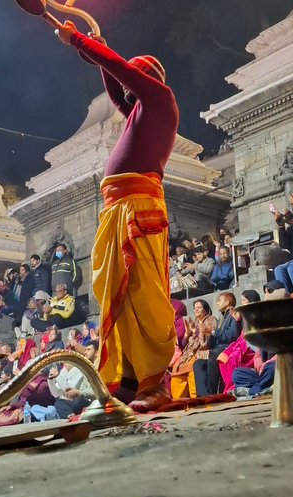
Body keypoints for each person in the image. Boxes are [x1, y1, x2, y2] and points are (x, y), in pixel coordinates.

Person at [58, 18, 179, 412]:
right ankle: (128, 381)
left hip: (139, 209)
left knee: (143, 294)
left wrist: (80, 41)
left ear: (147, 80)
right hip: (116, 210)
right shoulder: (139, 112)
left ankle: (154, 383)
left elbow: (121, 72)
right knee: (117, 295)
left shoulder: (160, 99)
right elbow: (117, 90)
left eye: (135, 80)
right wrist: (97, 46)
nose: (128, 90)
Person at [193, 293, 241, 396]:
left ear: (227, 302)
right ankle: (203, 395)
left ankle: (212, 393)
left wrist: (213, 332)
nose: (217, 303)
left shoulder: (233, 315)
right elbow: (214, 343)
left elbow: (232, 335)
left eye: (219, 300)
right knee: (198, 364)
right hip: (218, 348)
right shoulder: (222, 318)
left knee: (214, 354)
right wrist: (209, 335)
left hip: (229, 347)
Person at [170, 300, 217, 398]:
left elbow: (209, 340)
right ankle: (178, 400)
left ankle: (195, 398)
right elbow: (185, 344)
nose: (196, 310)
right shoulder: (194, 323)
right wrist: (187, 334)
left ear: (206, 310)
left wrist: (195, 331)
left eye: (199, 307)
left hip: (202, 351)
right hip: (189, 353)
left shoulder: (211, 320)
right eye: (195, 308)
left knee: (192, 367)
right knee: (176, 369)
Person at [218, 291, 261, 393]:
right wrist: (238, 321)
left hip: (251, 345)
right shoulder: (241, 315)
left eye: (244, 300)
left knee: (234, 356)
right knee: (222, 357)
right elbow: (239, 333)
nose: (241, 303)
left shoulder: (258, 313)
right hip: (241, 341)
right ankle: (228, 386)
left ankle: (233, 387)